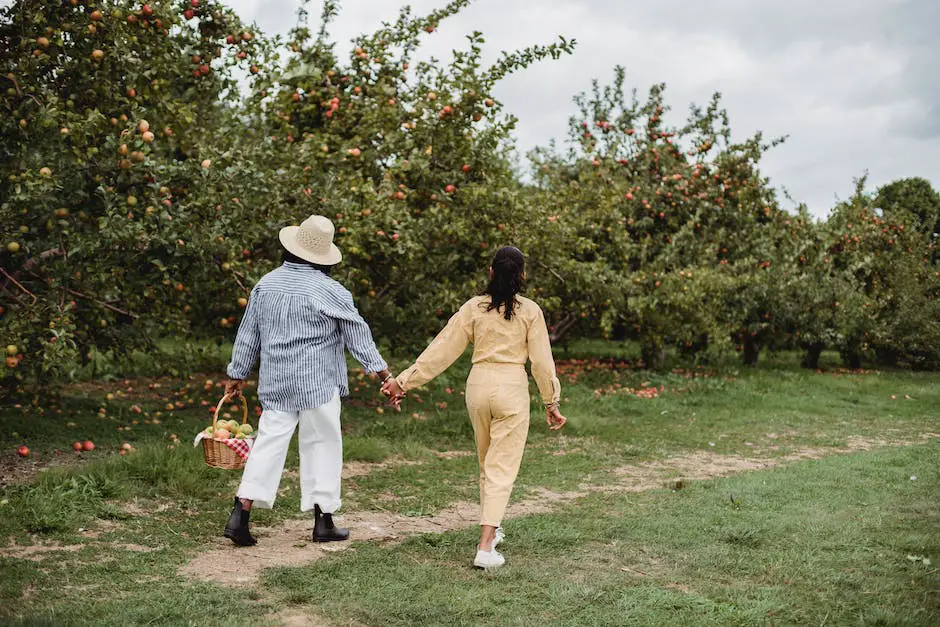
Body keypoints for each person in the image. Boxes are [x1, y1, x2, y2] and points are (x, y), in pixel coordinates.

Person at [382, 246, 566, 569]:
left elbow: (442, 349)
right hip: (511, 389)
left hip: (478, 387)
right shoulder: (531, 311)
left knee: (487, 462)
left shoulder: (473, 308)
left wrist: (403, 381)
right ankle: (485, 546)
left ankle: (491, 532)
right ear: (522, 277)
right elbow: (541, 363)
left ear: (491, 273)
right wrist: (551, 401)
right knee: (501, 468)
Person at [222, 214, 396, 547]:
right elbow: (358, 336)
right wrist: (383, 373)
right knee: (323, 446)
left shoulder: (266, 284)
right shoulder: (331, 291)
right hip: (317, 384)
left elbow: (248, 334)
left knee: (269, 445)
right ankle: (323, 521)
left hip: (276, 381)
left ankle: (240, 513)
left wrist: (236, 374)